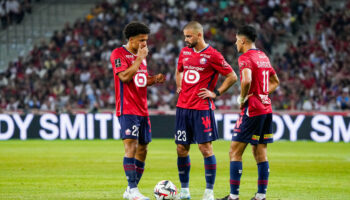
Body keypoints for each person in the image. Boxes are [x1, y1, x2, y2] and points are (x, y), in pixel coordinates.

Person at [175, 21, 238, 200]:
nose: (186, 39)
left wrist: (215, 93)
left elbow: (232, 76)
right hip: (183, 107)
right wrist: (179, 85)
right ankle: (184, 191)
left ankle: (209, 193)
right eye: (184, 36)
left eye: (188, 36)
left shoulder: (213, 55)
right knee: (181, 148)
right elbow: (179, 70)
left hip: (202, 108)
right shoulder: (184, 52)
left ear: (199, 35)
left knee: (205, 148)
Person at [217, 25, 280, 200]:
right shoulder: (263, 56)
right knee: (260, 152)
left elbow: (246, 80)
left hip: (252, 109)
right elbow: (276, 81)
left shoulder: (245, 57)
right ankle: (260, 196)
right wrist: (262, 94)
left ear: (243, 40)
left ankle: (233, 196)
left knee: (234, 151)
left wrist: (242, 98)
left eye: (237, 40)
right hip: (266, 108)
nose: (236, 43)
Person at [110, 21, 165, 200]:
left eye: (146, 40)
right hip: (128, 108)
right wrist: (139, 58)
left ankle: (131, 189)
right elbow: (125, 77)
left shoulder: (142, 56)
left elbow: (139, 80)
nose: (144, 44)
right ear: (131, 39)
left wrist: (153, 79)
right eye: (141, 40)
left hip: (142, 109)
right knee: (131, 147)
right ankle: (133, 191)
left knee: (143, 149)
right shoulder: (119, 54)